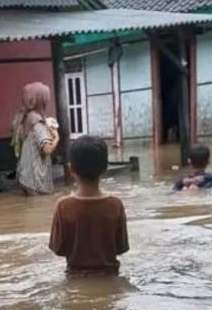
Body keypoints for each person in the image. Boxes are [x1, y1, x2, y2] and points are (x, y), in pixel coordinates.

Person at [49, 136, 129, 276]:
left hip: (75, 278)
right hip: (110, 277)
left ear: (71, 169)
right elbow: (121, 247)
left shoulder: (63, 206)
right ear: (105, 168)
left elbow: (58, 249)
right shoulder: (115, 204)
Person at [11, 82, 60, 195]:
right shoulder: (37, 121)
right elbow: (47, 149)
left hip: (25, 176)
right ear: (41, 100)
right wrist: (56, 137)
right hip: (36, 179)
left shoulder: (24, 118)